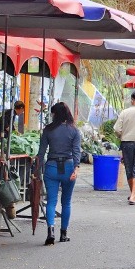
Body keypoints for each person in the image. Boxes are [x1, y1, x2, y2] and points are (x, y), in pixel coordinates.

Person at [37, 101, 81, 246]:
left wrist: (37, 170)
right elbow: (76, 152)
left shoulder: (48, 130)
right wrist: (76, 169)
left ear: (55, 114)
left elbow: (41, 153)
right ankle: (63, 234)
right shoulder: (74, 130)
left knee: (51, 201)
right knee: (66, 202)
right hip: (68, 168)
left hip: (51, 167)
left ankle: (51, 231)